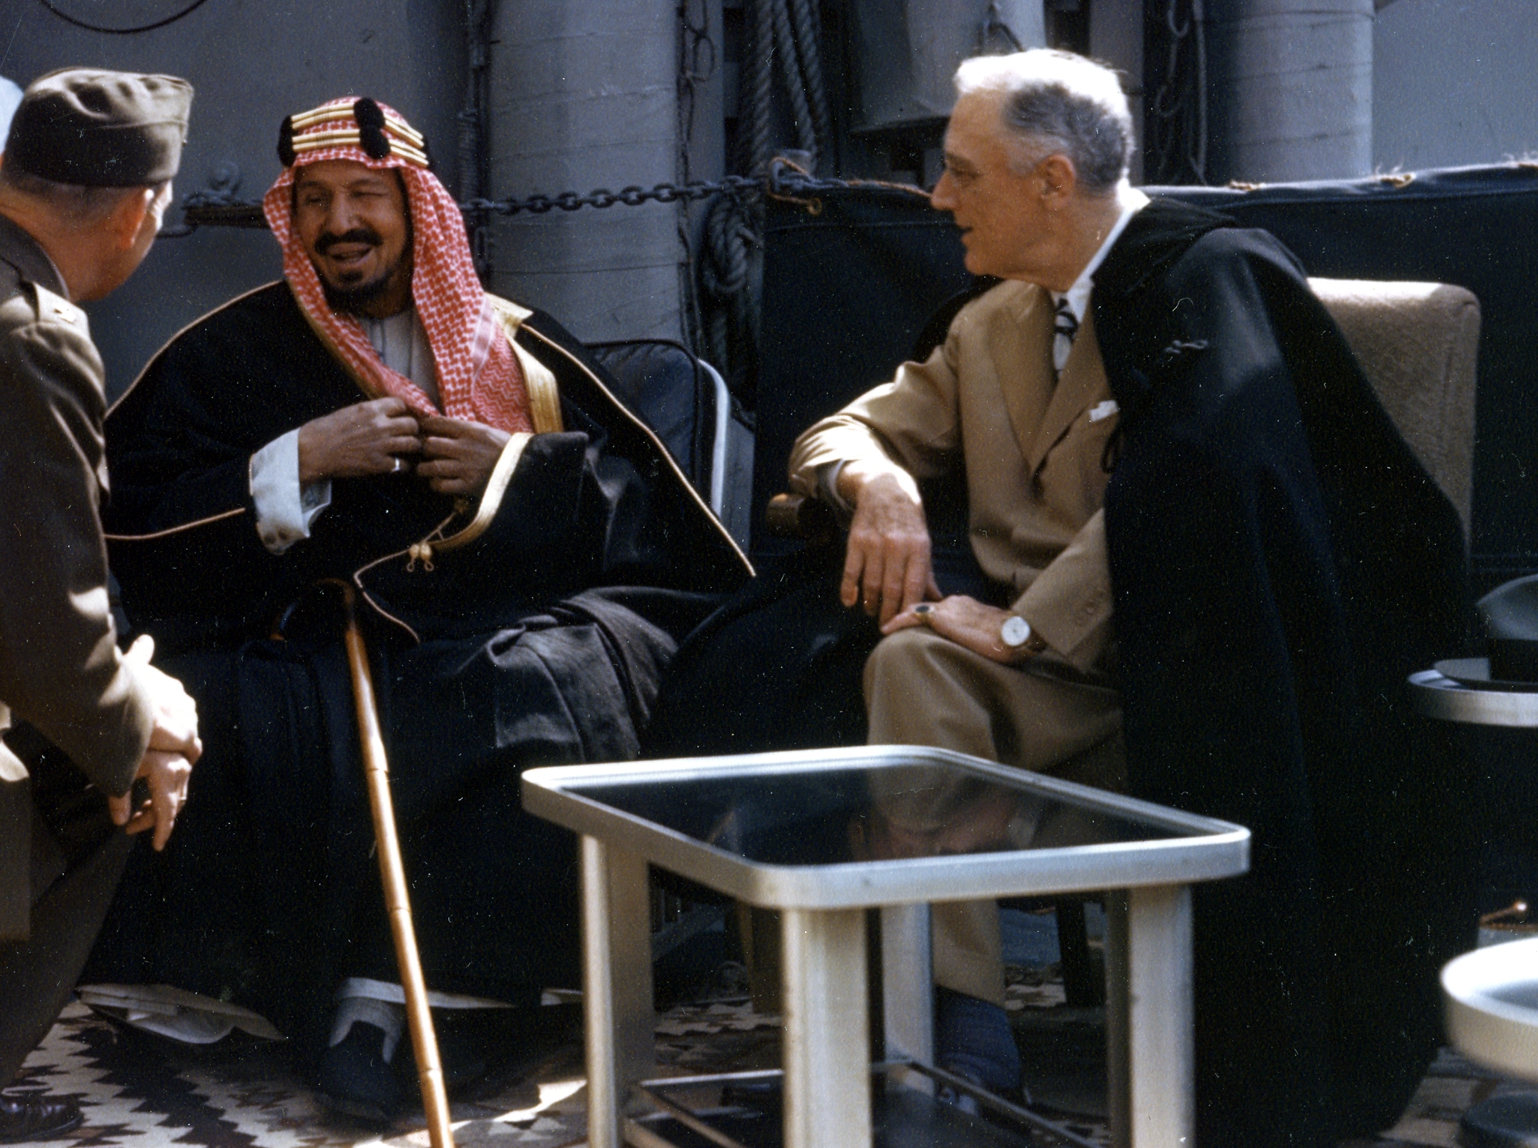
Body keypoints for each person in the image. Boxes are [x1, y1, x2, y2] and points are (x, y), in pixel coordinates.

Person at [785, 49, 1473, 1148]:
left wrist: (1016, 623)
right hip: (1052, 693)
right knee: (904, 659)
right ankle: (952, 1051)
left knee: (922, 659)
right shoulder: (989, 324)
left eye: (961, 171)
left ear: (1050, 181)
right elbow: (849, 426)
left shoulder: (1210, 277)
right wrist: (875, 481)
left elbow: (1195, 487)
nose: (936, 196)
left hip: (1188, 685)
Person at [91, 97, 750, 1120]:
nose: (340, 222)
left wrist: (520, 469)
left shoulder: (518, 347)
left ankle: (437, 992)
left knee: (529, 680)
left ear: (418, 206)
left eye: (366, 196)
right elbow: (134, 523)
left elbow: (649, 521)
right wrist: (294, 462)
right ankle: (252, 986)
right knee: (231, 696)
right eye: (314, 201)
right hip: (317, 628)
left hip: (495, 627)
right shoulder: (225, 353)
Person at [0, 68, 200, 1141]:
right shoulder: (32, 330)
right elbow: (50, 645)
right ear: (141, 210)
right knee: (116, 779)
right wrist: (150, 717)